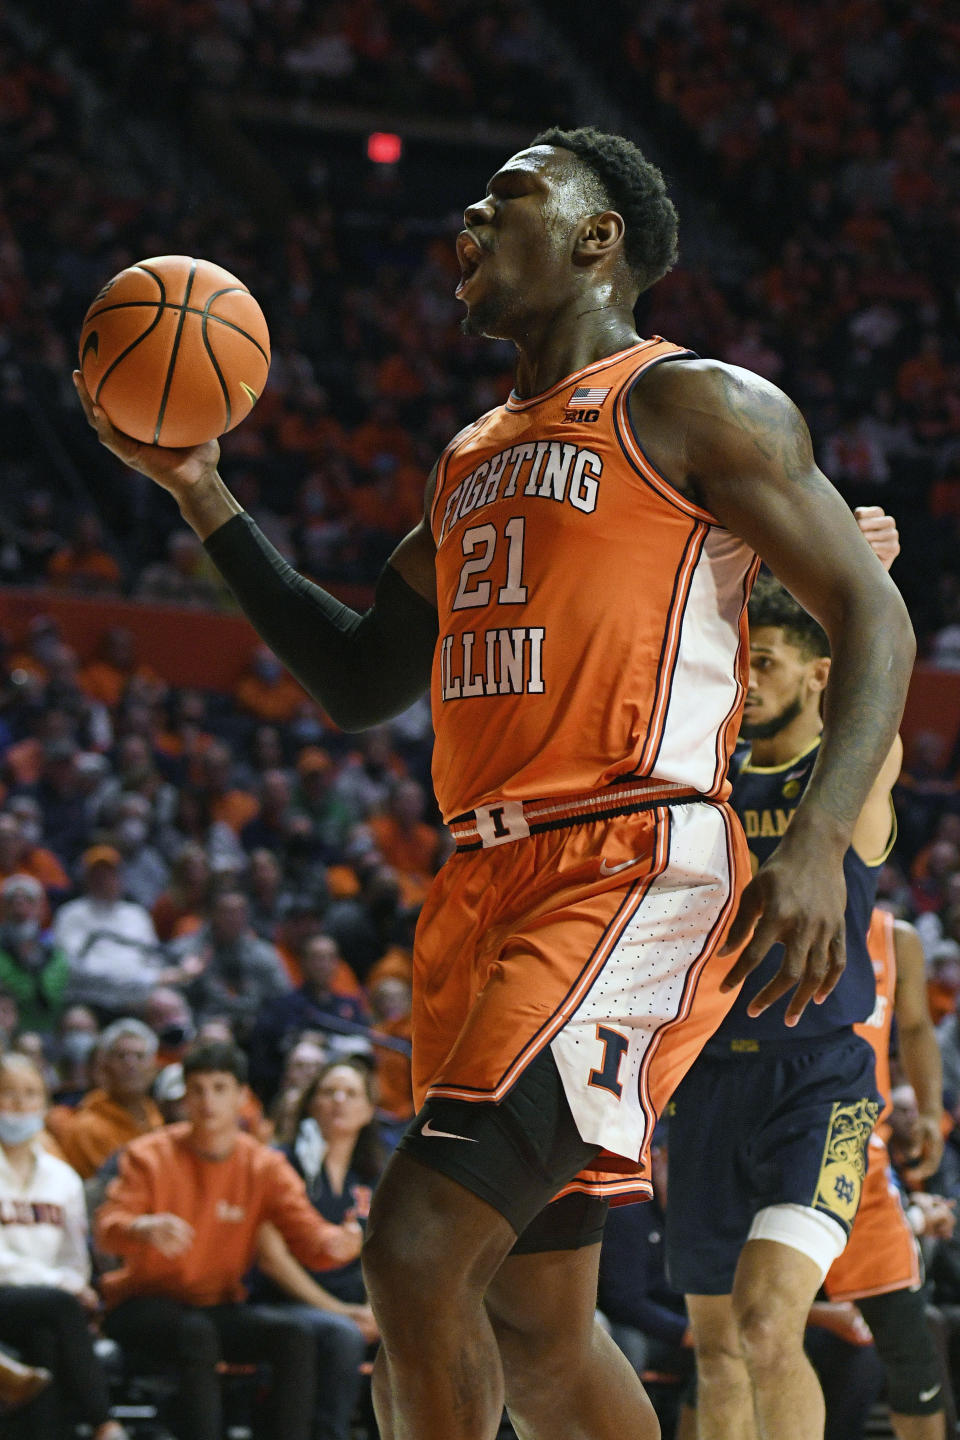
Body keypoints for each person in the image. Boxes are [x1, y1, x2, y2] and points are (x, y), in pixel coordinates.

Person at [75, 124, 914, 1440]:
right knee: (533, 1330)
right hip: (484, 886)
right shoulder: (470, 456)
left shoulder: (693, 402)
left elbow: (876, 619)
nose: (466, 222)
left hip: (630, 862)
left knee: (412, 1248)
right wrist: (201, 493)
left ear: (596, 241)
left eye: (505, 200)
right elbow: (361, 678)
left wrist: (813, 839)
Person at [666, 572, 903, 1440]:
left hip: (819, 1087)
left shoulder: (845, 783)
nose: (748, 677)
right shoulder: (710, 787)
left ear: (816, 676)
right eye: (742, 662)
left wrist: (863, 582)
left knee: (768, 1324)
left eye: (765, 661)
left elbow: (882, 724)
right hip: (706, 1087)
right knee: (717, 1349)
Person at [95, 1040, 363, 1440]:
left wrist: (339, 1242)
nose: (208, 1101)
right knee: (196, 1333)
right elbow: (107, 1227)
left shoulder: (262, 1164)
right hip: (140, 1303)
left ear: (242, 1097)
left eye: (220, 1088)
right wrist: (142, 1228)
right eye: (198, 1089)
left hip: (216, 1304)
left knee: (294, 1336)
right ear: (184, 1096)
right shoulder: (147, 1155)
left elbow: (308, 1234)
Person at [821, 911, 953, 1439]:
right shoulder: (768, 909)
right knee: (736, 1346)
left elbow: (917, 1027)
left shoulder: (894, 937)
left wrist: (928, 1112)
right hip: (774, 1146)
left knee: (913, 1357)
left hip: (858, 1157)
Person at [255, 1058, 386, 1440]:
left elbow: (387, 1260)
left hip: (356, 1308)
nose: (339, 1101)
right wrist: (342, 1312)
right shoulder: (281, 1164)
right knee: (340, 1334)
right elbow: (272, 1258)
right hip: (286, 1299)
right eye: (329, 1092)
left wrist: (375, 1313)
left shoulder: (376, 1176)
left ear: (368, 1111)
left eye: (351, 1094)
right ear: (310, 1103)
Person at [0, 1053, 126, 1440]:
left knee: (47, 1340)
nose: (20, 1104)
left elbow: (75, 1259)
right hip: (12, 1294)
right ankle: (104, 1423)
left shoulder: (63, 1178)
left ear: (45, 1104)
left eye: (30, 1094)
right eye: (7, 1094)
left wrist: (66, 1283)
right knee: (58, 1307)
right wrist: (58, 1283)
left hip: (46, 1306)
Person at [46, 1017, 164, 1179]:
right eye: (121, 1056)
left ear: (154, 1068)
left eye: (139, 1056)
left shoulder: (158, 1117)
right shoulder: (86, 1128)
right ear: (104, 1068)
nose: (131, 1064)